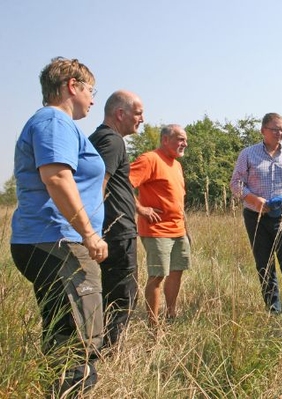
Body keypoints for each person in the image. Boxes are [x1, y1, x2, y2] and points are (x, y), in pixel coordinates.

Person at [11, 57, 106, 396]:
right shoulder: (54, 120)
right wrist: (89, 233)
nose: (93, 100)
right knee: (81, 341)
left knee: (64, 332)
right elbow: (56, 176)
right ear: (72, 86)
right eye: (90, 91)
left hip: (49, 241)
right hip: (58, 241)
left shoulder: (54, 123)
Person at [230, 112, 282, 314]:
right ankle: (273, 310)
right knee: (265, 265)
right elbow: (236, 183)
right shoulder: (248, 154)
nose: (279, 133)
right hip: (256, 217)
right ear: (263, 131)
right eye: (275, 129)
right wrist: (253, 199)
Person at [89, 90, 144, 349]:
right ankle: (110, 351)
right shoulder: (112, 141)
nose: (142, 119)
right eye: (138, 113)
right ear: (120, 113)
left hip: (110, 230)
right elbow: (98, 184)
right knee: (122, 296)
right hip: (115, 232)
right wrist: (91, 231)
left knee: (107, 292)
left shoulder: (99, 138)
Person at [129, 124, 190, 326]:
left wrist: (185, 229)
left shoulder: (176, 165)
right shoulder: (149, 159)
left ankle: (170, 315)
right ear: (165, 139)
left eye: (185, 140)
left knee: (176, 272)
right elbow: (123, 185)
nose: (185, 143)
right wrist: (142, 209)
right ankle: (153, 325)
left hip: (178, 230)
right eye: (180, 139)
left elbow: (178, 200)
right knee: (157, 276)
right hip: (157, 231)